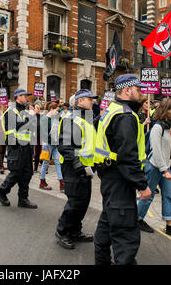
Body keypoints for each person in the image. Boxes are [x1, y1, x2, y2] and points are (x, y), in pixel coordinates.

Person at [93, 74, 151, 265]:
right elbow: (127, 156)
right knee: (125, 237)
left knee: (107, 224)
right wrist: (142, 185)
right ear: (127, 90)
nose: (141, 93)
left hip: (111, 177)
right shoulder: (125, 116)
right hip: (120, 179)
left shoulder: (113, 110)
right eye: (138, 89)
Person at [136, 98, 171, 238]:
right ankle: (138, 219)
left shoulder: (167, 126)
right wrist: (164, 170)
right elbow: (156, 151)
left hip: (165, 166)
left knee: (167, 196)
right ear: (167, 109)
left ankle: (169, 224)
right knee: (148, 195)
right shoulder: (157, 127)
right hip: (155, 167)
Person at [55, 89, 97, 250]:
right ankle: (62, 232)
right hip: (73, 168)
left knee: (83, 202)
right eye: (89, 99)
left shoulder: (86, 119)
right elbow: (65, 146)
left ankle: (75, 231)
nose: (93, 102)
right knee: (74, 202)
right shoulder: (72, 119)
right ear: (80, 102)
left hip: (85, 169)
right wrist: (78, 164)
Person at [0, 88, 37, 209]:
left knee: (27, 173)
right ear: (18, 97)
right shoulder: (11, 111)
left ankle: (23, 199)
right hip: (17, 147)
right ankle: (2, 191)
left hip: (27, 147)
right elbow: (14, 127)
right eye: (24, 96)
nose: (27, 98)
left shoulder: (26, 111)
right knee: (16, 173)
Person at [39, 102, 64, 192]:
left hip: (54, 144)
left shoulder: (55, 118)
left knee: (58, 162)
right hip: (47, 144)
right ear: (52, 109)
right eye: (57, 110)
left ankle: (62, 183)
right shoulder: (45, 119)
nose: (58, 113)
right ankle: (42, 181)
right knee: (46, 163)